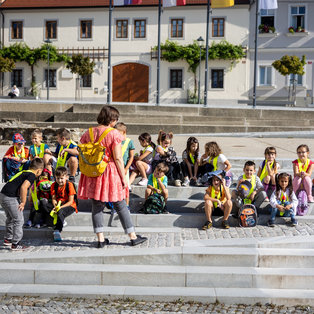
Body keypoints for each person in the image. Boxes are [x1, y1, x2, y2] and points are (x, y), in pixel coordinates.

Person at [78, 105, 147, 248]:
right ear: (112, 119)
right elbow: (118, 158)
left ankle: (100, 239)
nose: (116, 121)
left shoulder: (88, 132)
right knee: (120, 203)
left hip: (93, 172)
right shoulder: (114, 134)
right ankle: (132, 236)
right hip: (109, 171)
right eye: (116, 118)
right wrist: (124, 178)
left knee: (96, 205)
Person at [0, 158, 44, 250]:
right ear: (39, 171)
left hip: (3, 195)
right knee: (19, 220)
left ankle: (8, 239)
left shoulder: (24, 171)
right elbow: (24, 187)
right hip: (10, 197)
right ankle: (16, 243)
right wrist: (23, 202)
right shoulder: (31, 175)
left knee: (11, 218)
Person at [50, 166, 77, 242]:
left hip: (69, 205)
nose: (60, 180)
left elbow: (70, 201)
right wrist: (55, 206)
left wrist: (60, 207)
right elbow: (54, 198)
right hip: (59, 204)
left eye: (62, 178)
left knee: (60, 211)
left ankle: (57, 230)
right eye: (58, 178)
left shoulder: (70, 185)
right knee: (46, 206)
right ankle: (61, 220)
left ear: (66, 177)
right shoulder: (54, 185)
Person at [115, 122, 135, 206]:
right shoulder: (115, 140)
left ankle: (126, 205)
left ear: (123, 132)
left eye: (118, 132)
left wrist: (126, 168)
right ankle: (115, 206)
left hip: (124, 168)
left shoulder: (129, 142)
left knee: (125, 187)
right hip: (115, 167)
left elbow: (131, 157)